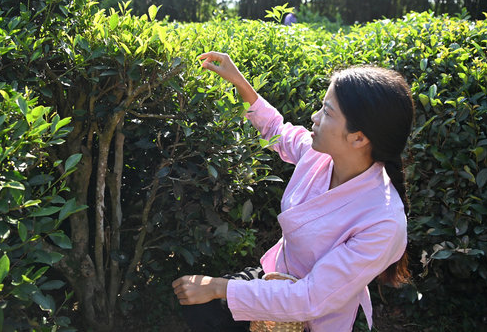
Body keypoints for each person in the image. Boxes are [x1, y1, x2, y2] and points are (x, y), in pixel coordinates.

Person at [172, 51, 415, 332]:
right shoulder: (321, 155)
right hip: (274, 279)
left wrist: (219, 287)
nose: (314, 117)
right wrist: (238, 81)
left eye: (327, 112)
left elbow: (311, 298)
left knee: (208, 299)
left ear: (358, 137)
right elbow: (277, 129)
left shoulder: (384, 222)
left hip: (314, 317)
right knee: (198, 305)